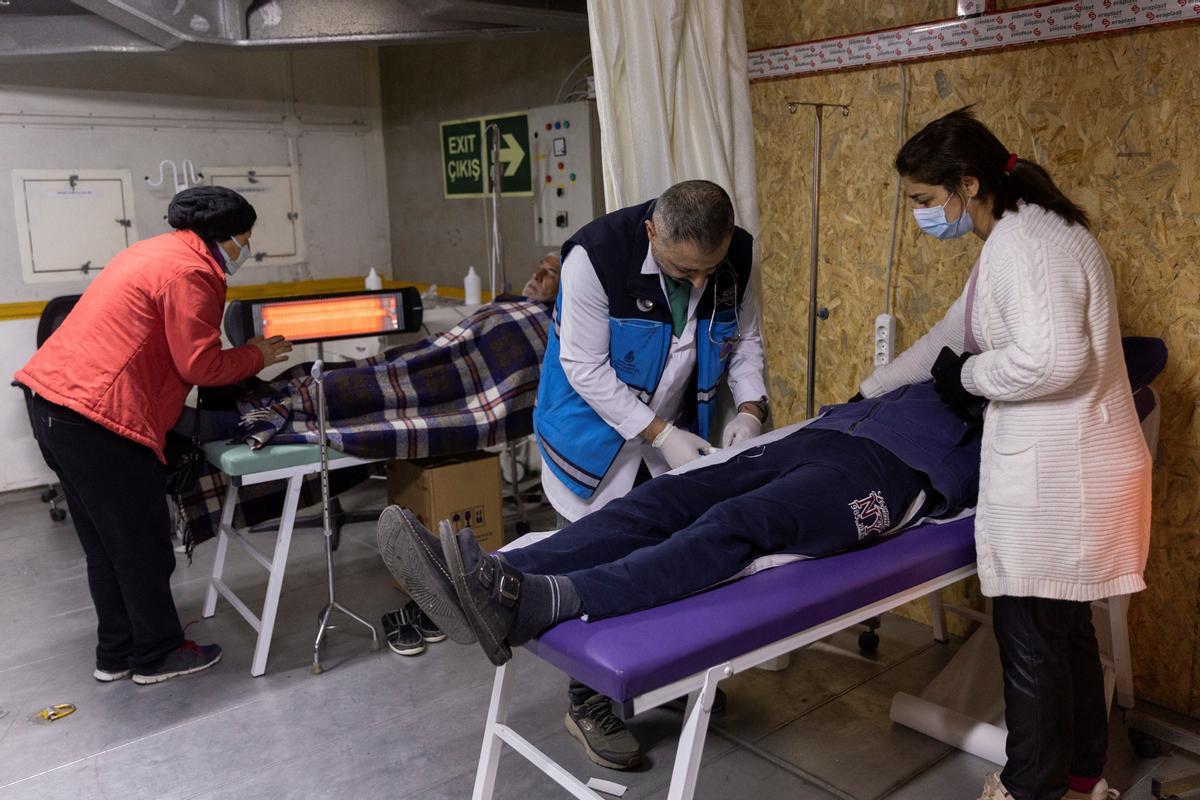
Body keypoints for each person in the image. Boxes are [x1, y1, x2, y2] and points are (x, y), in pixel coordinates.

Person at [378, 379, 980, 768]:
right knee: (660, 500)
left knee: (741, 522)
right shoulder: (947, 365)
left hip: (894, 473)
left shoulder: (1020, 398)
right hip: (823, 434)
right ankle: (489, 574)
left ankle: (539, 600)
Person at [862, 107, 1150, 800]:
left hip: (1061, 478)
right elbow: (953, 333)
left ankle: (1030, 789)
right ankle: (1081, 781)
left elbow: (1054, 361)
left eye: (927, 202)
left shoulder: (1024, 245)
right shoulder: (1043, 231)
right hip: (1078, 469)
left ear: (968, 185)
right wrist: (873, 388)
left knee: (1032, 648)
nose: (923, 218)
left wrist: (968, 378)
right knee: (1065, 637)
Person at [531, 179, 769, 768]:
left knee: (670, 559)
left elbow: (744, 343)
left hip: (675, 433)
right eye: (681, 269)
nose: (696, 283)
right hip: (591, 438)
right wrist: (659, 434)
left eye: (704, 272)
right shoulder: (594, 258)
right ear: (651, 233)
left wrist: (749, 411)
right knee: (592, 569)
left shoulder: (737, 257)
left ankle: (664, 675)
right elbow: (583, 367)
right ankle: (586, 702)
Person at [14, 186, 293, 686]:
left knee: (107, 547)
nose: (246, 247)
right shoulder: (192, 272)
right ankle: (158, 654)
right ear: (222, 235)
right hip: (98, 419)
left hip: (52, 407)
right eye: (245, 237)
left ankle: (116, 653)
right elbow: (200, 364)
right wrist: (257, 355)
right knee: (143, 546)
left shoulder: (152, 250)